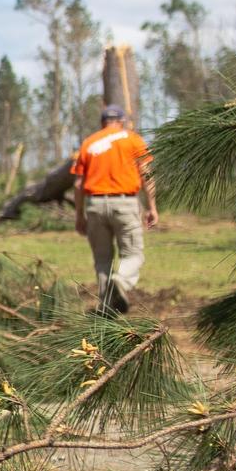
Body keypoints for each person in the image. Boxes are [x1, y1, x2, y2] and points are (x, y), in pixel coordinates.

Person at [72, 103, 159, 315]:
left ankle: (106, 308)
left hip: (94, 205)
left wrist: (79, 215)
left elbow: (77, 184)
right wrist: (152, 207)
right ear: (121, 122)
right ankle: (120, 281)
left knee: (102, 260)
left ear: (103, 123)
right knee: (133, 255)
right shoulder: (133, 140)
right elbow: (146, 175)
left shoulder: (88, 144)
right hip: (125, 203)